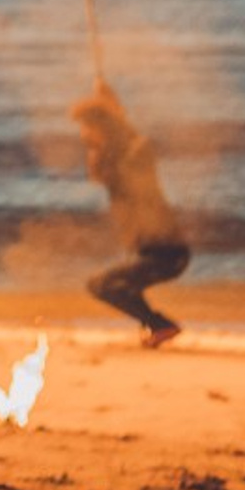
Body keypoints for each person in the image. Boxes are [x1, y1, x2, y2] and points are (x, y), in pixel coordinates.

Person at [71, 80, 191, 347]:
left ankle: (161, 325)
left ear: (104, 130)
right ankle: (157, 326)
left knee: (101, 285)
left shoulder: (132, 158)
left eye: (87, 129)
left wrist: (115, 114)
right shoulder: (109, 163)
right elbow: (104, 166)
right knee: (113, 285)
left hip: (167, 254)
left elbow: (137, 145)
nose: (83, 135)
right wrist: (111, 112)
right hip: (152, 252)